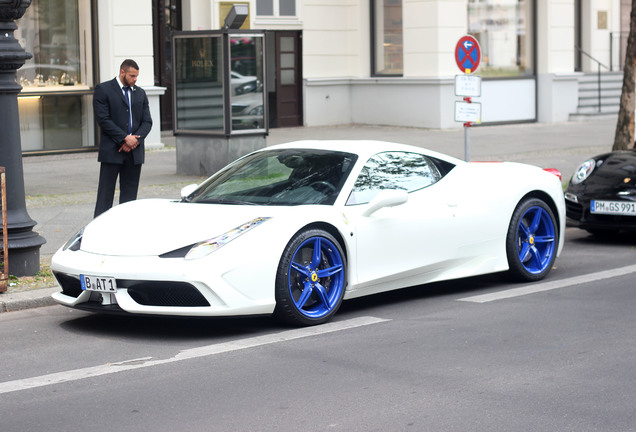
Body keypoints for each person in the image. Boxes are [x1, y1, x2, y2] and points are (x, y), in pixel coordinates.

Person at [93, 59, 152, 217]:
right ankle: (100, 227)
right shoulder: (104, 90)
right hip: (112, 151)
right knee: (105, 195)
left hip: (134, 153)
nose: (135, 79)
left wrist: (134, 141)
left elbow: (147, 122)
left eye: (136, 76)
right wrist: (124, 138)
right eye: (132, 76)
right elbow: (103, 120)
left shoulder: (140, 93)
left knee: (130, 197)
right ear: (122, 72)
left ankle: (126, 226)